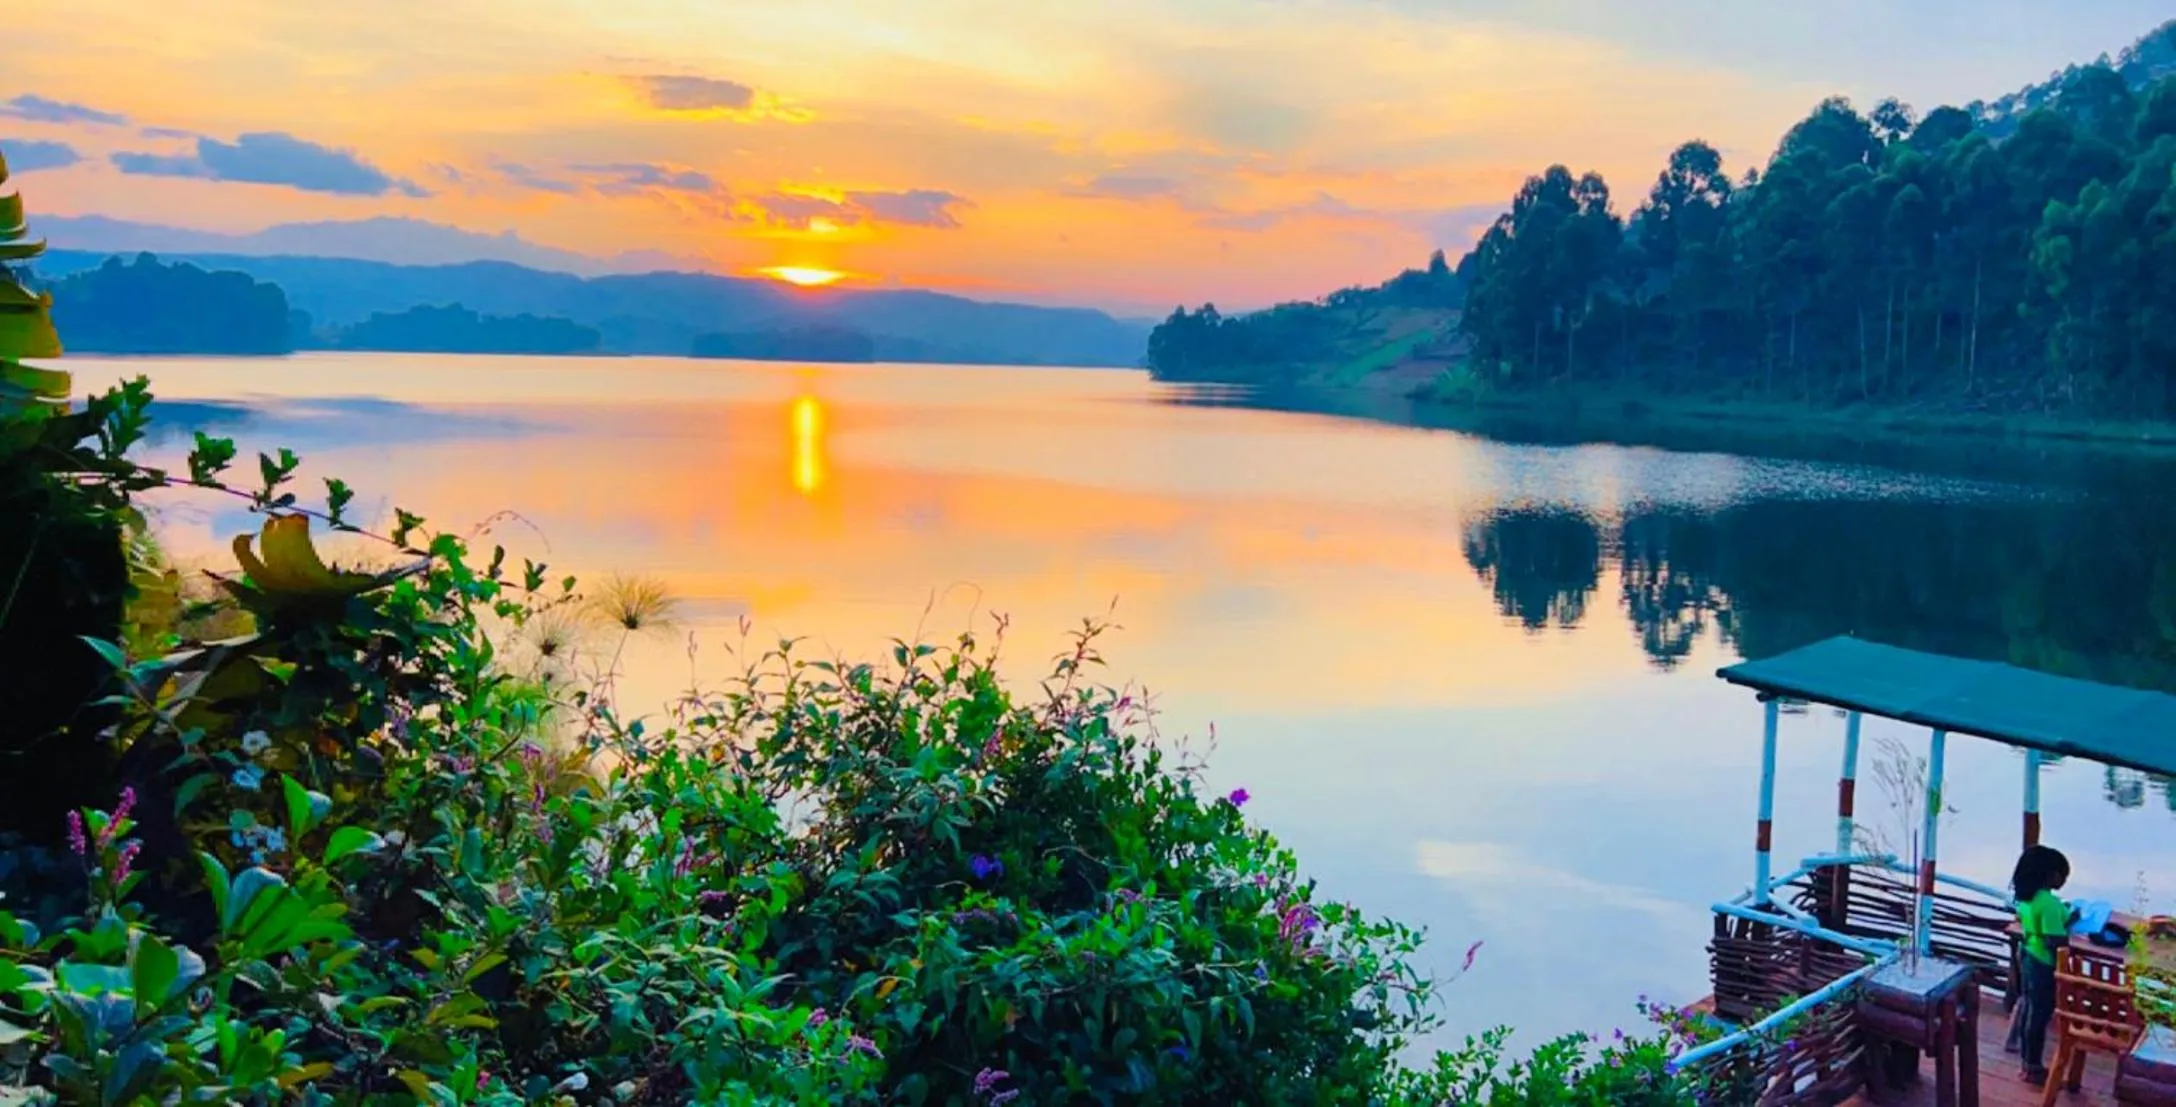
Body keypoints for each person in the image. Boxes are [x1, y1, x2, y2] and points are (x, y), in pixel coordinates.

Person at [2010, 844, 2071, 1086]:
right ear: (2050, 874)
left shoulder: (2027, 897)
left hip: (2027, 955)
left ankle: (2027, 1063)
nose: (2063, 880)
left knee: (2028, 1008)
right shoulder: (2049, 903)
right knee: (2040, 1014)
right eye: (2062, 875)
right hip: (2044, 964)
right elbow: (2055, 940)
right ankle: (2034, 1067)